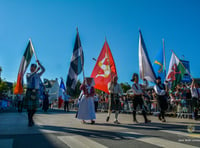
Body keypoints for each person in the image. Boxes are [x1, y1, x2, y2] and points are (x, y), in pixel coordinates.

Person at [23, 60, 45, 127]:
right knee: (29, 108)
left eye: (34, 67)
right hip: (29, 91)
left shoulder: (38, 75)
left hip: (36, 92)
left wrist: (39, 64)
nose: (32, 68)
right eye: (31, 67)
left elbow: (44, 70)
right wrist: (35, 71)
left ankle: (31, 119)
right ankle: (30, 121)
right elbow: (29, 77)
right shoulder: (28, 74)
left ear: (35, 68)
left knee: (35, 108)